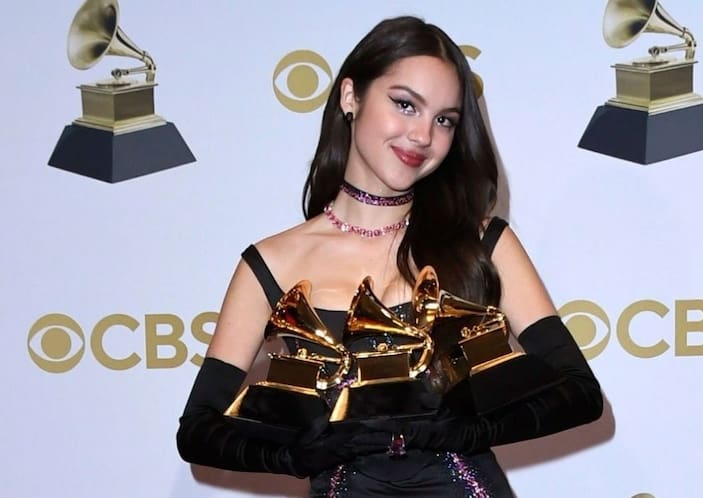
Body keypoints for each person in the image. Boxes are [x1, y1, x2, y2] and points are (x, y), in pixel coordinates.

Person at [177, 15, 603, 497]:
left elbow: (579, 391)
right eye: (405, 105)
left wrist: (468, 431)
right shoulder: (271, 264)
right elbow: (198, 430)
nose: (423, 135)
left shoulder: (483, 242)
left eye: (444, 120)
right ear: (350, 96)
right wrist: (295, 456)